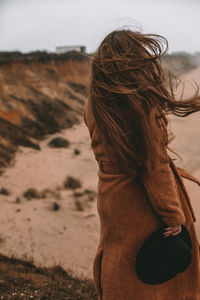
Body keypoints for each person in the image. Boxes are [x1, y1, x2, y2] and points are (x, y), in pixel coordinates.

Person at [83, 29, 200, 300]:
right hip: (142, 199)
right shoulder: (142, 104)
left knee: (119, 253)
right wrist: (173, 215)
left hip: (112, 195)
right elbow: (154, 167)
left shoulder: (94, 104)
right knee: (159, 268)